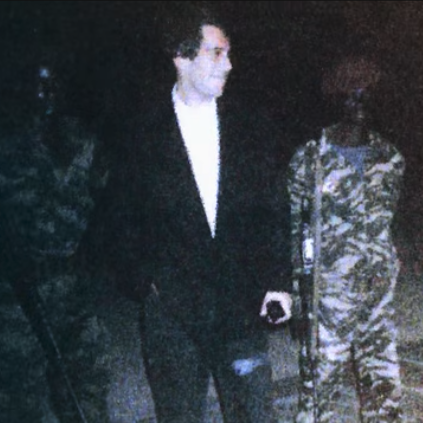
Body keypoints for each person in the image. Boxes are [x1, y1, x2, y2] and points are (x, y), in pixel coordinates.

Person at [82, 5, 292, 422]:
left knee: (255, 415)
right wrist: (146, 283)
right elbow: (117, 218)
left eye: (228, 53)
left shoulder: (249, 126)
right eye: (216, 53)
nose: (228, 65)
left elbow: (272, 210)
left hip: (241, 307)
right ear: (181, 56)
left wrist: (277, 282)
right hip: (172, 316)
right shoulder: (141, 132)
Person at [0, 59, 111, 422]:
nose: (45, 95)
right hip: (13, 300)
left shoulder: (82, 141)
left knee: (86, 390)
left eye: (52, 85)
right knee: (15, 401)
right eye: (36, 85)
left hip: (73, 291)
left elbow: (109, 208)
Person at [288, 56, 405, 422]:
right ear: (337, 100)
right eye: (352, 95)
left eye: (367, 95)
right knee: (318, 398)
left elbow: (387, 222)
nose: (360, 104)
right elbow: (296, 231)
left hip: (377, 299)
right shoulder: (310, 159)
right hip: (328, 302)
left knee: (384, 396)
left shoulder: (390, 158)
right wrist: (299, 299)